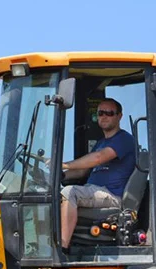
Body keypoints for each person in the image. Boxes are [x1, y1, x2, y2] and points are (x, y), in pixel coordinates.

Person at [58, 98, 136, 251]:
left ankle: (62, 249)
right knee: (49, 194)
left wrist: (65, 164)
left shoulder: (124, 139)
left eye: (109, 113)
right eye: (101, 113)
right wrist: (57, 176)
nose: (104, 116)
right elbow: (81, 171)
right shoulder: (101, 143)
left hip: (111, 195)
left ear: (119, 116)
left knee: (70, 192)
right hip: (93, 191)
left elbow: (99, 158)